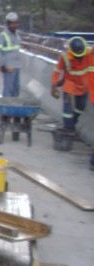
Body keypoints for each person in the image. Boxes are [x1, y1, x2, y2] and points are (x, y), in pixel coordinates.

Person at [51, 36, 94, 169]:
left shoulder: (89, 53)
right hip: (70, 86)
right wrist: (54, 86)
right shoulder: (65, 57)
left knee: (79, 110)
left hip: (84, 87)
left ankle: (71, 128)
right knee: (68, 113)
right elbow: (57, 71)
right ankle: (68, 131)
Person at [0, 12, 21, 97]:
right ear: (8, 24)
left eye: (16, 23)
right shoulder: (3, 35)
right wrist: (2, 64)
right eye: (12, 24)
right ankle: (6, 106)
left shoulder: (16, 35)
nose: (15, 25)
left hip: (17, 65)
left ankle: (14, 106)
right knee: (8, 88)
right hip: (9, 66)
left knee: (16, 88)